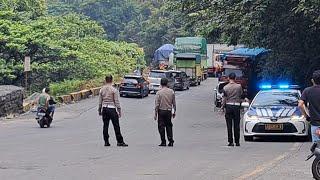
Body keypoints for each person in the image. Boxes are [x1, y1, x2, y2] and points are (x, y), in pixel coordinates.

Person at [98, 75, 128, 147]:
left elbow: (100, 101)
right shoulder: (113, 90)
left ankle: (106, 141)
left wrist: (99, 109)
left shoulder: (102, 89)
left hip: (104, 108)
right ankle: (120, 141)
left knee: (105, 125)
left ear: (105, 80)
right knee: (116, 125)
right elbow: (116, 101)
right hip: (112, 108)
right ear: (112, 80)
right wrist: (119, 110)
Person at [299, 70, 320, 142]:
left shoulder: (307, 91)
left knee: (316, 146)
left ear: (312, 80)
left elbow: (300, 105)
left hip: (315, 124)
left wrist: (306, 116)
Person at [154, 78, 176, 147]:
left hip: (161, 111)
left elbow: (157, 104)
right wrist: (174, 111)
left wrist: (155, 114)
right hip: (168, 111)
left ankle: (163, 142)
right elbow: (174, 103)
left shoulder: (159, 92)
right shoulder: (171, 91)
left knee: (161, 127)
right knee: (169, 126)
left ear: (161, 84)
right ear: (167, 83)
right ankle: (171, 141)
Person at [223, 73, 243, 147]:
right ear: (235, 78)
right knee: (236, 125)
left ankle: (230, 142)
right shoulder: (239, 86)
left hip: (228, 106)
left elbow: (224, 98)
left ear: (228, 78)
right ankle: (237, 142)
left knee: (229, 125)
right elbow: (241, 95)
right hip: (236, 106)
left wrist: (222, 107)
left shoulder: (225, 87)